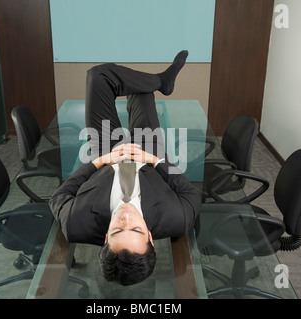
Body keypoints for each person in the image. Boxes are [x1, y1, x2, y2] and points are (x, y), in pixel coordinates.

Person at [48, 50, 201, 286]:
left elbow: (59, 196)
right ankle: (162, 82)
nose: (126, 218)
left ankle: (162, 81)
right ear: (150, 237)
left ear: (105, 238)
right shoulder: (177, 218)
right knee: (142, 94)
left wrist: (100, 161)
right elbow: (190, 194)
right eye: (137, 230)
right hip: (148, 155)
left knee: (98, 77)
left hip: (106, 154)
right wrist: (155, 160)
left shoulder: (75, 223)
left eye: (118, 230)